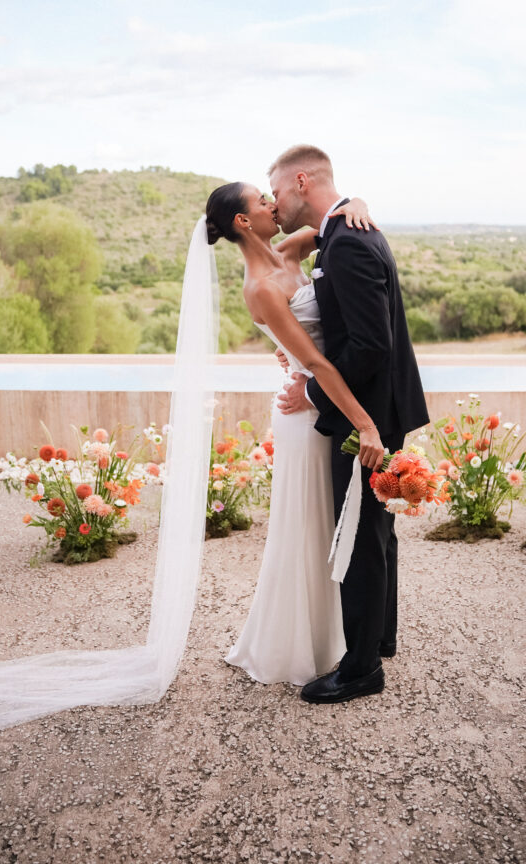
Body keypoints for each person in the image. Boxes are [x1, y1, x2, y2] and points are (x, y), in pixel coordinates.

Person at [204, 182, 386, 686]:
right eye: (262, 201)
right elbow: (312, 359)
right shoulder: (261, 287)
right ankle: (302, 642)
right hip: (307, 410)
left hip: (323, 396)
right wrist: (365, 423)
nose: (272, 205)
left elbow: (334, 220)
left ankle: (348, 635)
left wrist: (359, 204)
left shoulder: (288, 250)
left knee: (332, 518)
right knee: (308, 523)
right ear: (243, 221)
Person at [269, 145, 429, 705]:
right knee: (376, 529)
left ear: (302, 180)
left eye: (279, 191)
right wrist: (349, 204)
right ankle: (377, 639)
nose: (275, 203)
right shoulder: (340, 233)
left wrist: (313, 392)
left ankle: (361, 669)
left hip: (368, 416)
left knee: (360, 535)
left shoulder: (349, 244)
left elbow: (370, 345)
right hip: (377, 408)